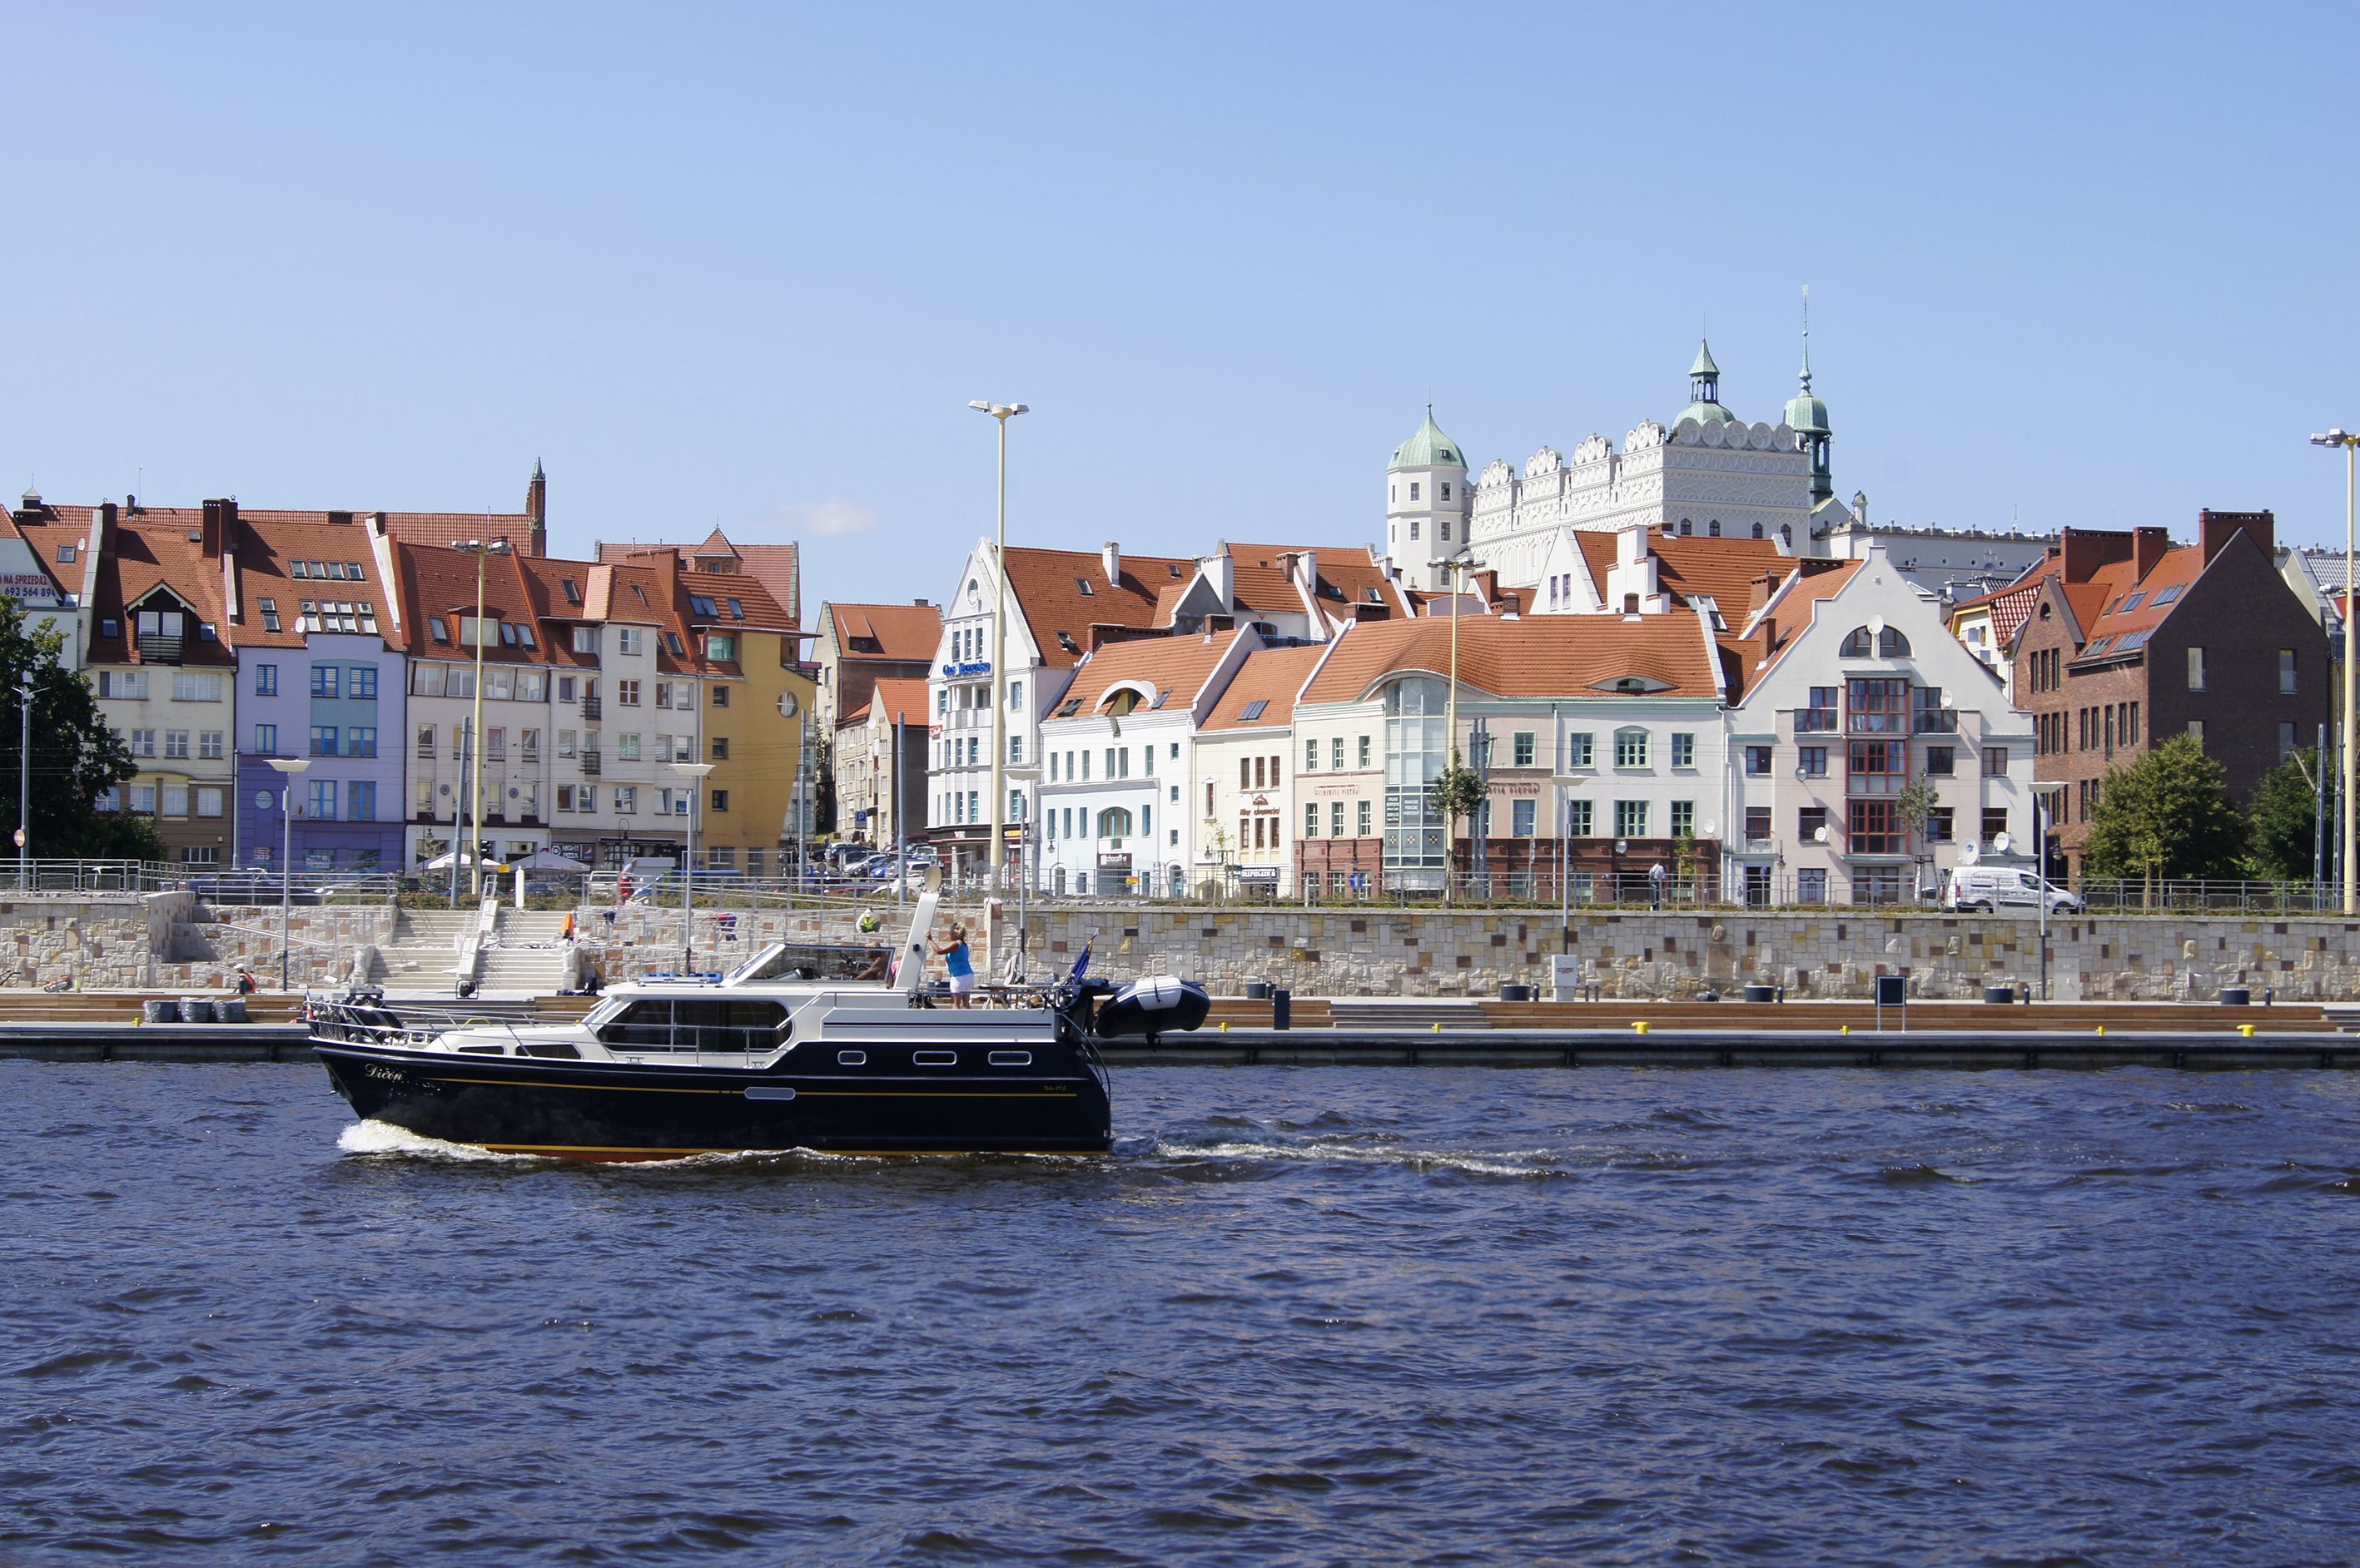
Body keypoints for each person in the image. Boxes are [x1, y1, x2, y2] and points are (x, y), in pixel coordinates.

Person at [932, 923, 975, 1008]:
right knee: (966, 1004)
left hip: (959, 976)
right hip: (968, 975)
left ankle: (956, 1016)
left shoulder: (956, 944)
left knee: (955, 1003)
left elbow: (939, 951)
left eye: (951, 932)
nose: (949, 934)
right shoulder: (964, 945)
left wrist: (930, 939)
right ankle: (970, 1016)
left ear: (956, 933)